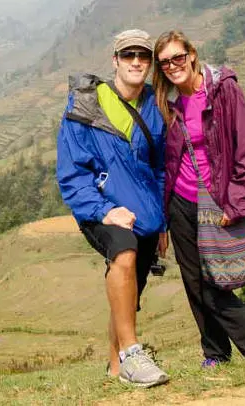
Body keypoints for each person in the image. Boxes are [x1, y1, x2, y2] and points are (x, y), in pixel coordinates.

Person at [152, 30, 245, 367]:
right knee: (194, 283)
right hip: (180, 202)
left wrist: (237, 204)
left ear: (192, 54)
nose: (172, 66)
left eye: (178, 57)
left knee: (216, 283)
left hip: (218, 199)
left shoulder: (223, 89)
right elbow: (164, 162)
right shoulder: (166, 103)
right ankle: (215, 353)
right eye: (164, 62)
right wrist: (162, 219)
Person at [57, 29, 169, 388]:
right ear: (115, 61)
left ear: (150, 63)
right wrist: (104, 211)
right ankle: (132, 353)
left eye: (143, 56)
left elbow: (160, 168)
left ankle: (116, 367)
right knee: (122, 253)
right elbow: (72, 173)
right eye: (128, 55)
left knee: (129, 295)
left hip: (146, 214)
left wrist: (162, 221)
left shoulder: (153, 106)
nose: (136, 62)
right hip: (101, 209)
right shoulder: (86, 105)